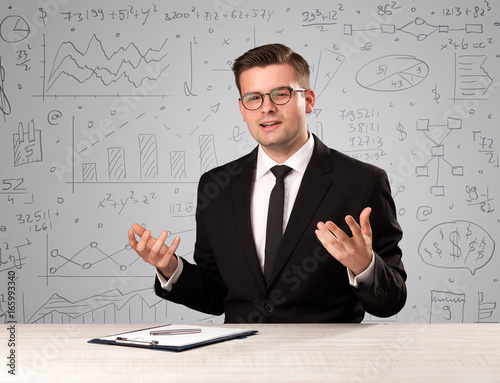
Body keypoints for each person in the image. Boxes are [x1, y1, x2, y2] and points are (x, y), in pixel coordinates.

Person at [128, 43, 406, 323]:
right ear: (242, 109)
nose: (267, 108)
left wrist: (364, 267)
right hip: (239, 356)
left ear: (308, 100)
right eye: (254, 98)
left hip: (325, 358)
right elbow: (218, 295)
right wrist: (171, 268)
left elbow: (391, 301)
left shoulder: (363, 182)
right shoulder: (216, 186)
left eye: (280, 94)